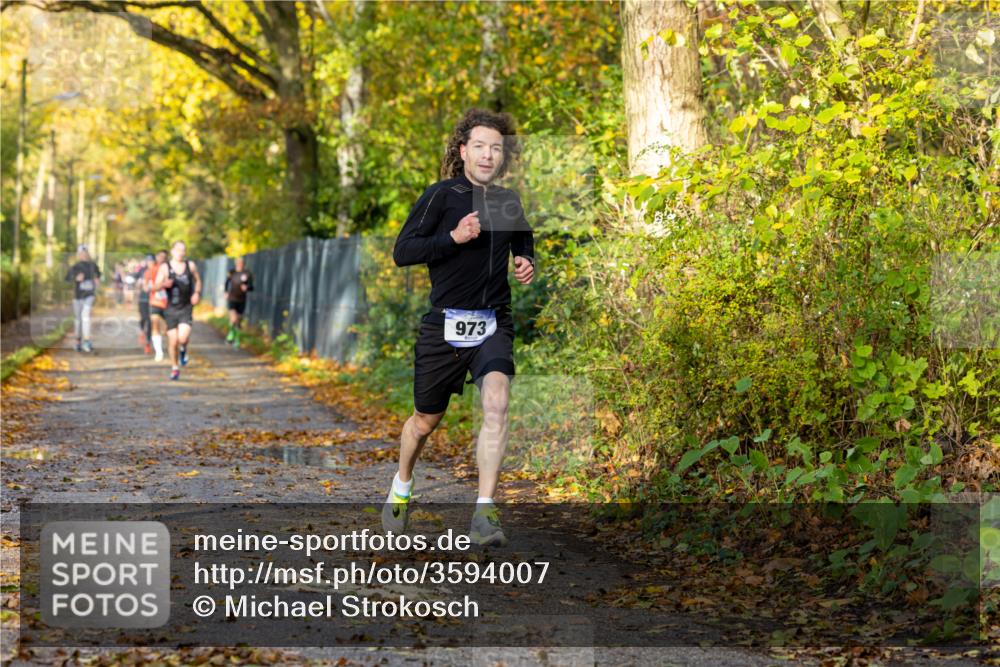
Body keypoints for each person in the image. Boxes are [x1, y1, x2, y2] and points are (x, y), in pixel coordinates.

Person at [383, 109, 535, 546]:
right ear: (463, 150)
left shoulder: (509, 201)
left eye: (497, 149)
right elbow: (403, 251)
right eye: (481, 146)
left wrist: (525, 260)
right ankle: (403, 484)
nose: (489, 155)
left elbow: (522, 239)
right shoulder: (441, 196)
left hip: (492, 324)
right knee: (424, 422)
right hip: (444, 326)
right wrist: (453, 238)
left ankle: (484, 514)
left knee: (497, 401)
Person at [153, 241, 202, 380]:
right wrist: (163, 284)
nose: (181, 253)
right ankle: (174, 368)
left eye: (183, 250)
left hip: (186, 307)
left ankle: (183, 349)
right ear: (172, 251)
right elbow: (155, 286)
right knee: (173, 341)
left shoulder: (190, 266)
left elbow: (198, 280)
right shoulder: (165, 267)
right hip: (170, 309)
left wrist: (196, 293)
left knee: (183, 338)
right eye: (178, 250)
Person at [65, 245, 102, 353]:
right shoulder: (75, 267)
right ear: (78, 254)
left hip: (89, 295)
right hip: (78, 296)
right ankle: (77, 341)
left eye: (85, 252)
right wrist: (76, 278)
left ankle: (87, 341)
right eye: (81, 253)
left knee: (85, 316)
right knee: (78, 320)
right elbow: (67, 278)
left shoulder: (93, 266)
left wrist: (97, 280)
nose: (83, 254)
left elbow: (99, 277)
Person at [223, 257, 254, 348]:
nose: (239, 264)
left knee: (239, 320)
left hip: (242, 300)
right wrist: (226, 292)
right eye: (238, 263)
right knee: (233, 318)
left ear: (243, 264)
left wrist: (247, 288)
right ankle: (231, 334)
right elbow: (226, 282)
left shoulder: (247, 274)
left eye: (241, 263)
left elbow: (251, 287)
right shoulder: (232, 272)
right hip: (232, 298)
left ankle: (237, 338)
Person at [146, 250, 168, 361]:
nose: (161, 258)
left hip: (168, 303)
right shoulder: (152, 270)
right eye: (159, 256)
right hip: (155, 301)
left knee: (167, 328)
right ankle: (158, 352)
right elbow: (147, 285)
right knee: (155, 324)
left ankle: (173, 347)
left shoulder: (171, 269)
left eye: (164, 257)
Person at [136, 255, 154, 354]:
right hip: (143, 299)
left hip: (152, 300)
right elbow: (137, 283)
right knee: (143, 318)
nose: (150, 263)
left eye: (151, 261)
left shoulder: (157, 271)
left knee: (150, 321)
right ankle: (142, 331)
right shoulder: (142, 271)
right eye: (148, 261)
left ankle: (148, 343)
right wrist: (140, 284)